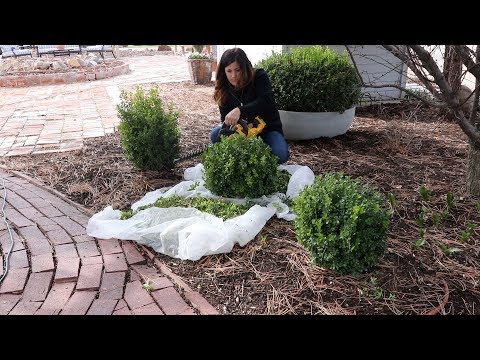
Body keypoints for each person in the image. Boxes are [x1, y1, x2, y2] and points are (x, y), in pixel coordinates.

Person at [210, 47, 290, 164]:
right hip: (242, 134)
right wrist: (235, 127)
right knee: (215, 135)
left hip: (268, 130)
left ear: (245, 67)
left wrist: (240, 111)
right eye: (229, 71)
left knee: (280, 155)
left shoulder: (259, 76)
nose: (234, 76)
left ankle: (259, 153)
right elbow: (225, 118)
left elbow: (266, 101)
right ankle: (253, 155)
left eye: (238, 70)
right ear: (224, 71)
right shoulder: (223, 88)